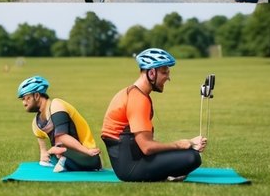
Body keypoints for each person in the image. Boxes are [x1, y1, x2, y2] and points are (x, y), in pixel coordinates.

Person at [101, 48, 205, 182]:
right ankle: (167, 174)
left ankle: (167, 173)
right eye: (164, 72)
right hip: (130, 169)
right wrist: (181, 144)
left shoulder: (133, 93)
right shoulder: (138, 99)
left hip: (130, 159)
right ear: (151, 73)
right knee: (192, 157)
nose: (168, 77)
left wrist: (188, 143)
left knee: (188, 153)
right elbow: (147, 147)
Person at [17, 75, 102, 172]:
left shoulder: (56, 105)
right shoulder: (36, 123)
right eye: (22, 99)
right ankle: (64, 161)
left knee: (57, 149)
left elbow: (62, 137)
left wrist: (87, 151)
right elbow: (43, 156)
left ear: (36, 96)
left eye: (26, 98)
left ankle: (65, 161)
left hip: (88, 155)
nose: (24, 103)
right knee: (56, 152)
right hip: (63, 154)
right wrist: (48, 154)